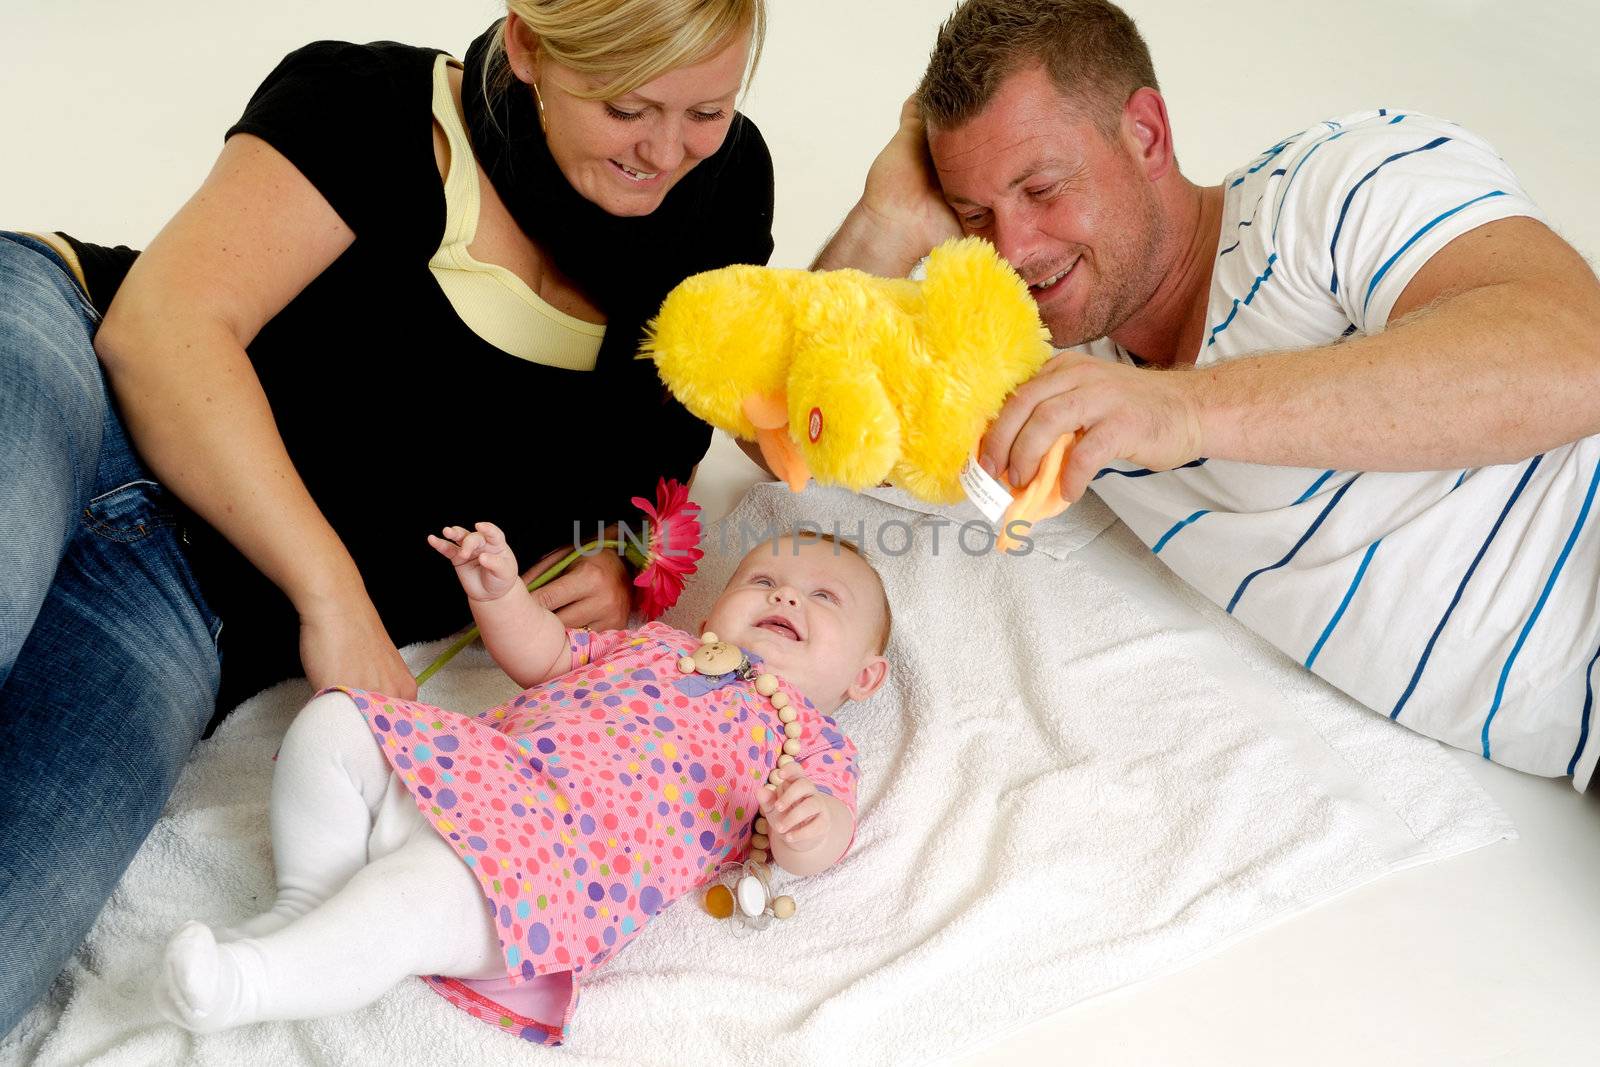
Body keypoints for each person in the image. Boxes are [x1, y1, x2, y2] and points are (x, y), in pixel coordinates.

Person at [0, 0, 775, 1037]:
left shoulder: (719, 200)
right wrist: (333, 594)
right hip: (69, 364)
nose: (665, 150)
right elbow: (161, 330)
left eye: (707, 111)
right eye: (629, 106)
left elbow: (678, 433)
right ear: (533, 47)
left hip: (188, 603)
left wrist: (621, 556)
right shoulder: (369, 104)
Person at [816, 0, 1600, 788]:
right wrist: (889, 217)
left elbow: (1578, 351)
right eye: (976, 213)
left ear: (1147, 134)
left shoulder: (1331, 189)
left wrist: (1180, 409)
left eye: (1043, 188)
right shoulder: (1045, 364)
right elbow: (796, 424)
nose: (1013, 248)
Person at [152, 526, 890, 1044]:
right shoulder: (658, 645)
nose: (787, 597)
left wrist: (805, 827)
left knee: (410, 894)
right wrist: (501, 595)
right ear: (714, 607)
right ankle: (309, 899)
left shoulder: (812, 741)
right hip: (476, 768)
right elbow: (548, 655)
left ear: (865, 675)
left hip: (549, 864)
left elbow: (827, 835)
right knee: (335, 722)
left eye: (825, 598)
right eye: (763, 580)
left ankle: (250, 982)